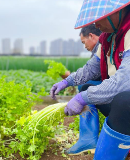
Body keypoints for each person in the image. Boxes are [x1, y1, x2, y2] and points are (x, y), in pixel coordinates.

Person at [50, 0, 130, 159]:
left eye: (99, 18)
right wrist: (68, 81)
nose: (96, 24)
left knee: (124, 101)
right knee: (88, 88)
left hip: (125, 98)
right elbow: (91, 68)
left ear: (116, 12)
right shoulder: (108, 38)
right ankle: (90, 140)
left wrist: (82, 98)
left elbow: (124, 82)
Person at [60, 24, 102, 156]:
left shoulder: (104, 45)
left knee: (85, 87)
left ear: (91, 36)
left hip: (119, 91)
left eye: (84, 42)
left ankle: (88, 138)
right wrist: (68, 80)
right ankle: (88, 138)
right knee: (84, 86)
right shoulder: (100, 48)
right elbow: (89, 72)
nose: (84, 46)